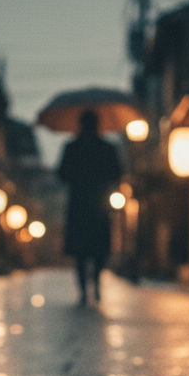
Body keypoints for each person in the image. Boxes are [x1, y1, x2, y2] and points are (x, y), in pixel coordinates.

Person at [57, 109, 122, 304]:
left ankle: (90, 288)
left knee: (90, 251)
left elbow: (62, 174)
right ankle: (88, 289)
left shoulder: (74, 147)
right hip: (92, 204)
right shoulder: (103, 148)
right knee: (87, 251)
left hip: (86, 204)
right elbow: (117, 173)